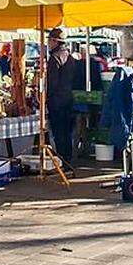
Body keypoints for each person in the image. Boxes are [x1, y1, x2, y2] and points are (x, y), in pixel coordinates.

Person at [44, 29, 79, 165]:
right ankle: (67, 160)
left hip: (57, 101)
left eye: (49, 41)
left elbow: (53, 83)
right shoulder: (69, 56)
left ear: (54, 41)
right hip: (68, 99)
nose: (48, 43)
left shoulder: (55, 58)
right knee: (66, 132)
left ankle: (62, 161)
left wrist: (46, 98)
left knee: (59, 133)